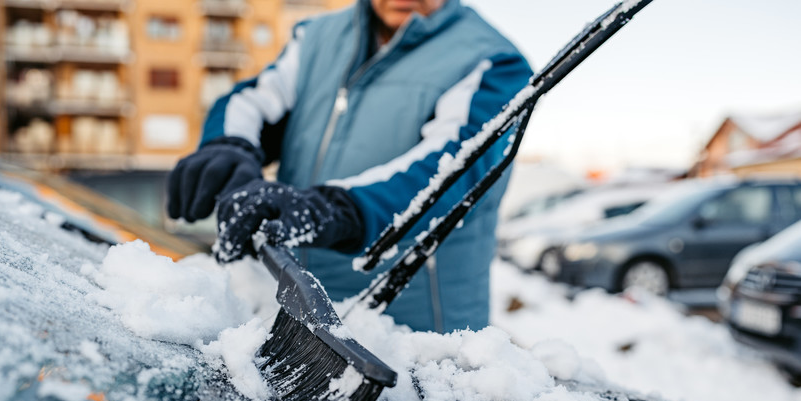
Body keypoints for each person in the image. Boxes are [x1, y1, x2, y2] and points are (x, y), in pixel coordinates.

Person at [166, 0, 532, 333]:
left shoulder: (492, 61)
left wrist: (332, 208)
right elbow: (256, 100)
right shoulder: (316, 38)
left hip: (418, 336)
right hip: (300, 319)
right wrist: (230, 146)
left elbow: (451, 168)